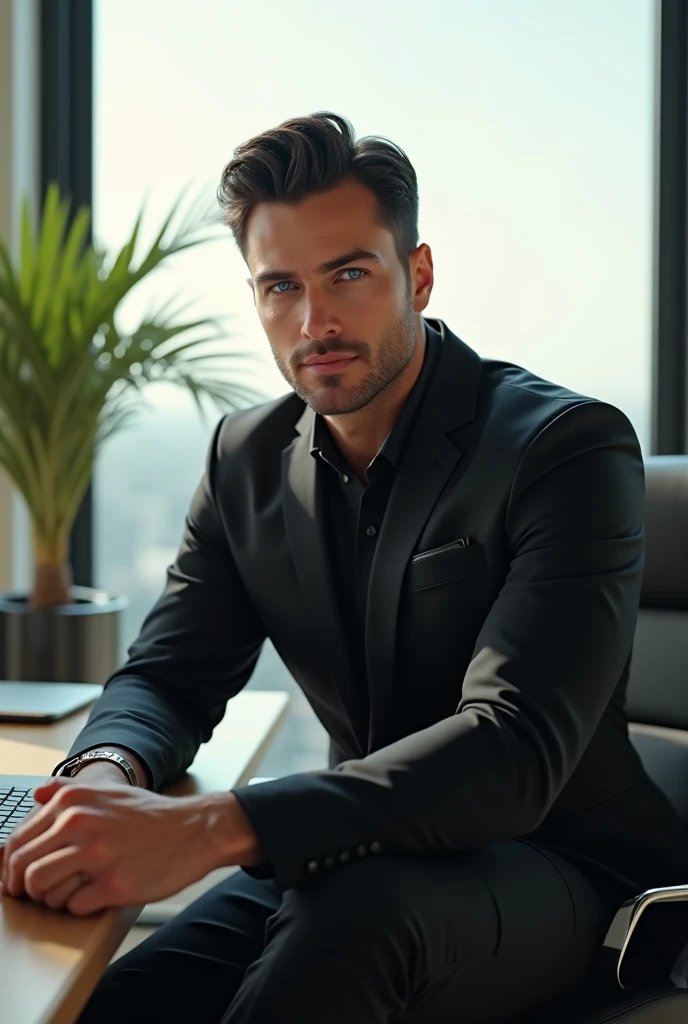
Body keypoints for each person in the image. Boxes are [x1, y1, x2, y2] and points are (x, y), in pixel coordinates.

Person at [1, 111, 685, 1024]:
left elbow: (513, 749)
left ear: (420, 275)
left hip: (565, 868)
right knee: (120, 999)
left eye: (349, 275)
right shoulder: (242, 457)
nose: (313, 321)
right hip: (353, 847)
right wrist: (106, 776)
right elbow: (171, 671)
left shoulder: (565, 448)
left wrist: (211, 827)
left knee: (350, 929)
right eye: (279, 286)